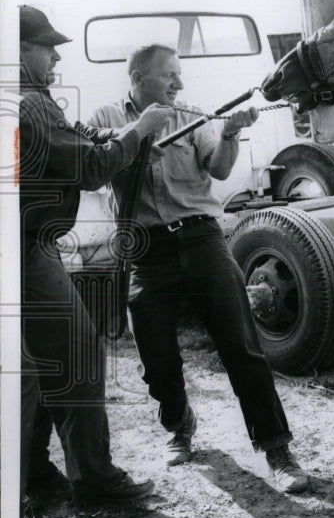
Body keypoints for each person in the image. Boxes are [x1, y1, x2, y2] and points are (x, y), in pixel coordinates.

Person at [88, 44, 309, 493]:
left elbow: (221, 170)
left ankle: (276, 448)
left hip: (203, 238)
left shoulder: (190, 114)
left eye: (180, 74)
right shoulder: (104, 119)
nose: (179, 84)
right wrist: (131, 147)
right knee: (156, 356)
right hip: (146, 250)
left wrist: (228, 134)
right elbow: (94, 173)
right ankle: (178, 424)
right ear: (137, 77)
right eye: (170, 75)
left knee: (241, 347)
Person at [18, 5, 172, 515]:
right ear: (16, 50)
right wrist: (138, 130)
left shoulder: (29, 100)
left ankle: (34, 475)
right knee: (77, 359)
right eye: (46, 45)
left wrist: (112, 137)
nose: (55, 53)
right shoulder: (29, 101)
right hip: (26, 250)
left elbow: (72, 144)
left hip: (22, 247)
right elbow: (88, 166)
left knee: (34, 370)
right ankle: (94, 480)